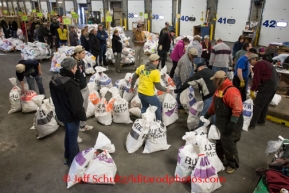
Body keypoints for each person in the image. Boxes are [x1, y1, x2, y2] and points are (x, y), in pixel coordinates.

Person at [204, 70, 243, 174]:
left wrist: (232, 123)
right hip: (221, 121)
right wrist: (208, 114)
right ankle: (220, 159)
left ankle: (232, 164)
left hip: (232, 121)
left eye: (215, 81)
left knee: (229, 144)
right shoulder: (219, 90)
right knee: (220, 142)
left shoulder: (231, 91)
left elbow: (237, 108)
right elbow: (214, 105)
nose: (213, 83)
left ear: (219, 80)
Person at [49, 57, 86, 165]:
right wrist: (82, 116)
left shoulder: (54, 79)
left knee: (69, 135)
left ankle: (67, 157)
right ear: (71, 68)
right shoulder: (71, 84)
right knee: (73, 139)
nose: (76, 70)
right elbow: (77, 105)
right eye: (75, 68)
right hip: (71, 116)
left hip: (62, 113)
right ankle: (74, 163)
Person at [130, 54, 170, 121]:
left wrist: (132, 86)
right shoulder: (156, 72)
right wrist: (166, 89)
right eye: (158, 61)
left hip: (140, 93)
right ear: (154, 61)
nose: (158, 62)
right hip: (148, 94)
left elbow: (134, 77)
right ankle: (158, 123)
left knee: (144, 107)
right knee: (158, 106)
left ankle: (141, 121)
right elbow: (158, 86)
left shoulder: (142, 67)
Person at [248, 54, 280, 129]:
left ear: (254, 59)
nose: (250, 63)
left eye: (250, 60)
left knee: (257, 104)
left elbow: (257, 79)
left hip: (267, 85)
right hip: (274, 85)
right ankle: (261, 120)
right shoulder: (266, 63)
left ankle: (252, 124)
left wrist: (253, 89)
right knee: (265, 104)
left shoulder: (258, 65)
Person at [72, 46, 94, 134]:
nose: (84, 54)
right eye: (83, 53)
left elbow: (82, 73)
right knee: (80, 108)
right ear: (77, 53)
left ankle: (83, 124)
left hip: (84, 86)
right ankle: (80, 126)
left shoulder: (81, 61)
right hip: (79, 89)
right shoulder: (73, 63)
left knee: (84, 106)